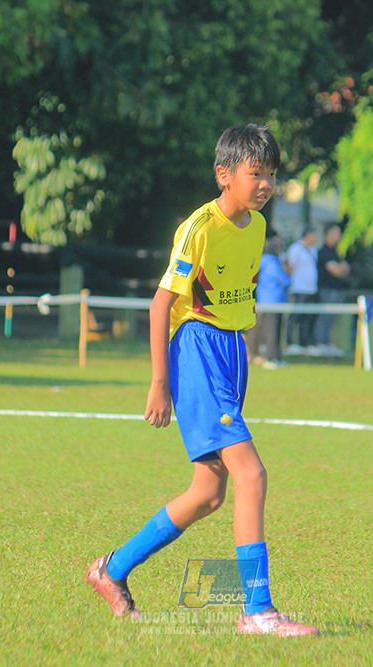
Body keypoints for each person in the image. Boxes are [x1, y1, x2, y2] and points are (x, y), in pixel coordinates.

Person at [85, 124, 318, 637]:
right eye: (255, 174)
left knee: (210, 492)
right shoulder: (198, 227)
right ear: (224, 174)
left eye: (272, 176)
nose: (265, 185)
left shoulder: (256, 228)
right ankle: (257, 611)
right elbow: (162, 304)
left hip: (231, 353)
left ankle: (111, 569)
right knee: (251, 475)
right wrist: (159, 383)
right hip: (197, 350)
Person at [247, 230, 292, 369]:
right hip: (274, 301)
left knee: (261, 329)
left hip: (263, 300)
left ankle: (260, 355)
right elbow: (284, 280)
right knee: (273, 330)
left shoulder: (260, 262)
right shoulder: (272, 263)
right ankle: (271, 358)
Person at [314, 223, 350, 357]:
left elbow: (346, 268)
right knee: (325, 317)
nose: (340, 236)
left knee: (333, 318)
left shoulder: (336, 252)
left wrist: (341, 268)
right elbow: (336, 270)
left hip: (337, 289)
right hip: (327, 290)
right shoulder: (324, 252)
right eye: (337, 232)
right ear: (329, 234)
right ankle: (320, 343)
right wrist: (340, 269)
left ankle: (328, 343)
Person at [283, 226, 319, 355]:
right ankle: (290, 342)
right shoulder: (296, 249)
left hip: (311, 289)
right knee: (295, 316)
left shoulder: (314, 249)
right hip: (299, 288)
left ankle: (305, 343)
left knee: (308, 317)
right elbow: (290, 267)